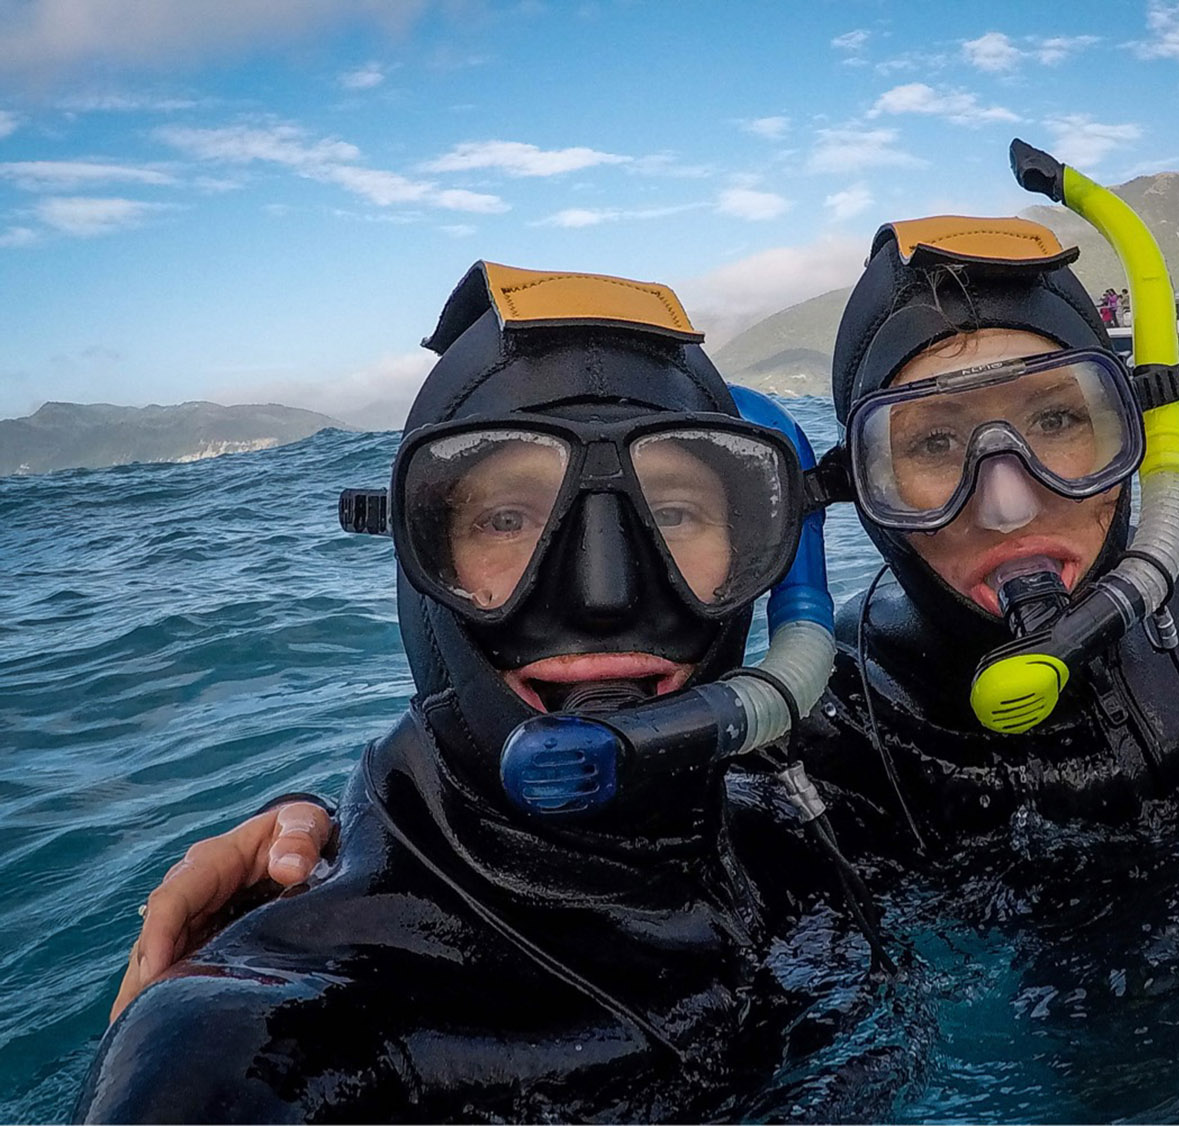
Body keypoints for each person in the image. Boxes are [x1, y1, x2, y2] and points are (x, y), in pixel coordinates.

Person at [111, 167, 1179, 1044]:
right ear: (847, 494)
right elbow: (562, 809)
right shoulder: (815, 748)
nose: (1008, 503)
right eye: (934, 447)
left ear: (1141, 433)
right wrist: (321, 835)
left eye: (1058, 426)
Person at [78, 260, 862, 1122]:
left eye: (673, 513)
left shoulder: (807, 820)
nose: (606, 593)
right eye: (506, 518)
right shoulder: (261, 1045)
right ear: (419, 568)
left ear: (762, 550)